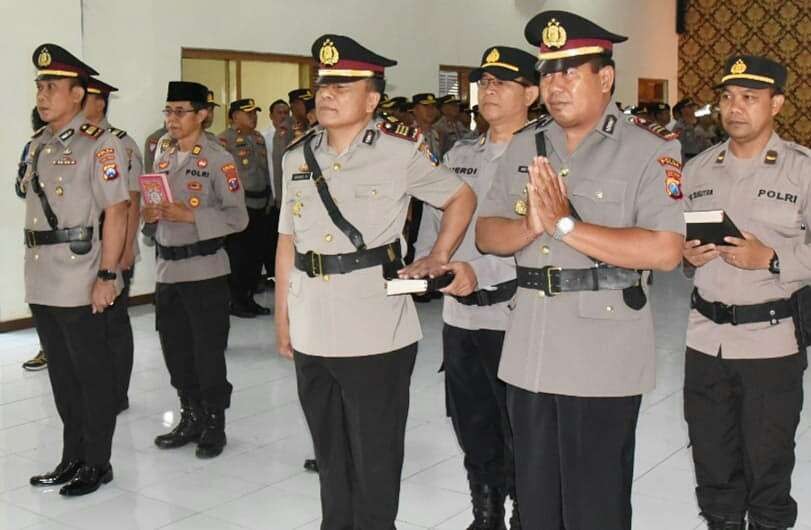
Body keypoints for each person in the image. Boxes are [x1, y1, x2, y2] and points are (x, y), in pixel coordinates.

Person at [475, 11, 685, 530]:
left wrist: (566, 225)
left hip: (603, 352)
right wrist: (533, 227)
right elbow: (487, 233)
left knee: (595, 505)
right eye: (548, 73)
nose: (555, 85)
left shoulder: (649, 149)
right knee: (538, 501)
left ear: (606, 77)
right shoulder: (527, 143)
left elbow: (665, 251)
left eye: (570, 72)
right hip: (530, 347)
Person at [275, 34, 476, 529]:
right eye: (323, 83)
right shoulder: (296, 157)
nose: (327, 92)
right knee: (329, 452)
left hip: (374, 326)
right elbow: (286, 243)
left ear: (372, 98)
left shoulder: (398, 153)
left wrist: (438, 254)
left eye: (343, 84)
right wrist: (283, 317)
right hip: (311, 322)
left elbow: (459, 196)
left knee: (375, 457)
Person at [681, 55, 808, 530]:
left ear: (776, 104)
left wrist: (773, 259)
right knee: (712, 459)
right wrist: (685, 256)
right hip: (704, 339)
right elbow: (679, 243)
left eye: (750, 98)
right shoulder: (697, 170)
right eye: (727, 97)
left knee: (768, 462)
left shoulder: (802, 171)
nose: (734, 108)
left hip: (770, 342)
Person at [416, 45, 540, 530]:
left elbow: (554, 240)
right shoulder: (460, 153)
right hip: (462, 317)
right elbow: (435, 219)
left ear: (531, 93)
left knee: (524, 431)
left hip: (520, 316)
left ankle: (527, 516)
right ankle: (486, 515)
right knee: (473, 424)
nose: (489, 90)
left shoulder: (547, 155)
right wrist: (430, 264)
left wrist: (483, 277)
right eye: (484, 82)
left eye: (502, 83)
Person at [24, 43, 130, 496]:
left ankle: (97, 462)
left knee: (91, 377)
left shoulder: (99, 145)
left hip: (81, 275)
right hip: (42, 277)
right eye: (39, 86)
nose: (43, 95)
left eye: (52, 87)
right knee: (63, 378)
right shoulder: (38, 144)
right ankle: (72, 456)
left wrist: (108, 276)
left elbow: (119, 211)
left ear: (77, 94)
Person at [147, 81, 248, 459]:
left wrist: (190, 216)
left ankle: (213, 422)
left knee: (207, 353)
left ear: (202, 114)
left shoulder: (219, 158)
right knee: (175, 351)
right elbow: (156, 204)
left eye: (180, 111)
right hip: (167, 271)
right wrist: (151, 215)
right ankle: (189, 415)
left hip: (204, 271)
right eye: (168, 111)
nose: (172, 119)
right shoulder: (161, 151)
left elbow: (238, 218)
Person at [84, 76, 143, 413]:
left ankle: (117, 392)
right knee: (90, 323)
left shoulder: (120, 142)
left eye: (86, 96)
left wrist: (126, 247)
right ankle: (95, 386)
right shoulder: (76, 142)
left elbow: (130, 200)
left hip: (114, 241)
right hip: (84, 248)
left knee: (113, 323)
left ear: (100, 102)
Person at [219, 98, 272, 317]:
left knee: (255, 256)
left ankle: (250, 298)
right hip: (241, 206)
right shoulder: (225, 140)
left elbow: (264, 170)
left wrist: (270, 196)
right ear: (233, 116)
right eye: (247, 113)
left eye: (255, 113)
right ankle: (237, 301)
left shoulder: (258, 138)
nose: (253, 117)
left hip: (261, 203)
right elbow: (223, 175)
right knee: (239, 257)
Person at [20, 107, 50, 372]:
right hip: (37, 240)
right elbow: (20, 187)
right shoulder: (32, 148)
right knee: (39, 299)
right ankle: (47, 348)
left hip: (72, 243)